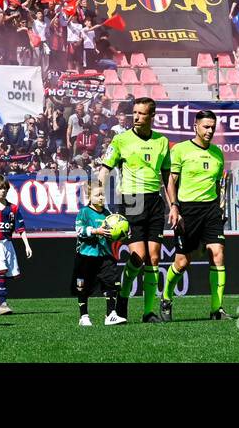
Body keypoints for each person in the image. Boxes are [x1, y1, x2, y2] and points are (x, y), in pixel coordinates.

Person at [97, 96, 171, 323]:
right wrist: (98, 196)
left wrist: (174, 205)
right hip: (131, 201)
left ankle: (149, 312)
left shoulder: (162, 142)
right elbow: (105, 169)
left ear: (152, 116)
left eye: (141, 113)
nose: (136, 117)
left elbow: (167, 176)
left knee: (155, 258)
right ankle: (123, 296)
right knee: (138, 257)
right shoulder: (120, 140)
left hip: (155, 202)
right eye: (134, 113)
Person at [161, 110, 228, 321]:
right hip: (187, 210)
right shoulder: (180, 150)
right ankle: (166, 298)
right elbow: (170, 180)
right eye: (206, 126)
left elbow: (218, 184)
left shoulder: (218, 153)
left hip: (210, 210)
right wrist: (174, 207)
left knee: (217, 252)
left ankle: (216, 309)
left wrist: (220, 206)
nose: (210, 130)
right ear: (195, 127)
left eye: (212, 127)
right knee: (182, 263)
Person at [72, 184, 123, 326]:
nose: (101, 197)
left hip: (105, 255)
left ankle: (110, 314)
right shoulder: (84, 212)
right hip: (86, 255)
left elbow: (112, 234)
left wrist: (121, 234)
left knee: (110, 283)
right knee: (84, 287)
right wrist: (95, 231)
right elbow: (79, 230)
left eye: (102, 194)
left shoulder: (107, 214)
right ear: (88, 198)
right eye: (97, 195)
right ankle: (84, 316)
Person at [0, 173, 32, 315]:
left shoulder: (13, 208)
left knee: (4, 275)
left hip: (7, 243)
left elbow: (21, 228)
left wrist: (27, 245)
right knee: (1, 271)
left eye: (5, 188)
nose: (3, 191)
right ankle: (4, 304)